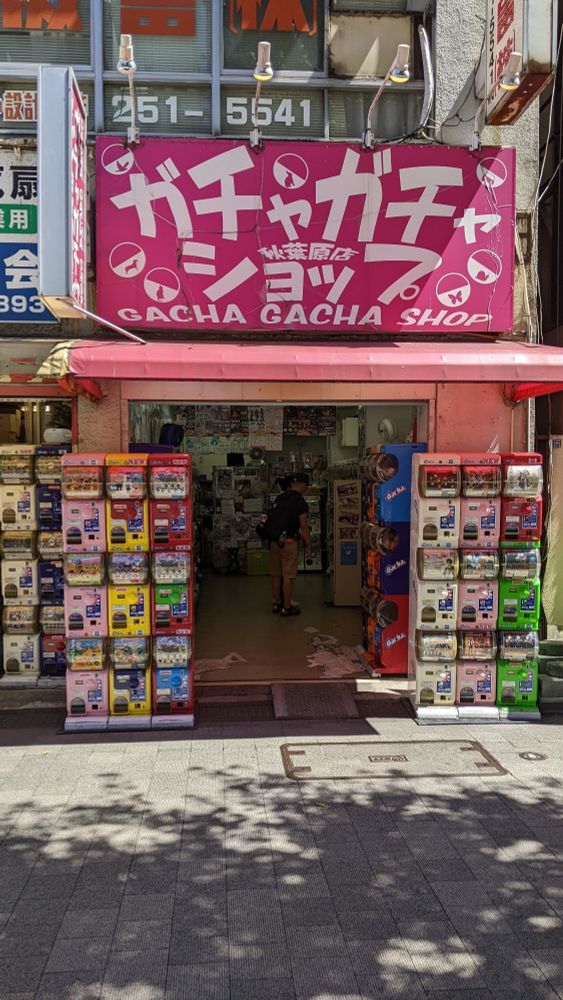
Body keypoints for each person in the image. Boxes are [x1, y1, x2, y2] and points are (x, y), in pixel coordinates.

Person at [270, 472, 312, 617]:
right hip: (290, 542)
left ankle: (276, 603)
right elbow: (304, 526)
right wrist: (308, 544)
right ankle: (287, 608)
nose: (305, 489)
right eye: (305, 486)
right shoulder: (300, 502)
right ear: (300, 485)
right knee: (288, 575)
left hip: (275, 541)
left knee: (276, 574)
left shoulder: (279, 498)